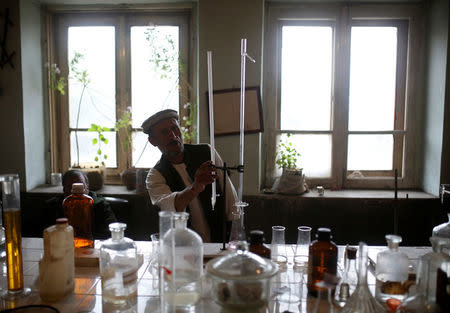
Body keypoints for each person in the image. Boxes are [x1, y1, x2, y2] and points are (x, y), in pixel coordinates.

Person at [143, 109, 238, 243]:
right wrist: (196, 187)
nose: (172, 135)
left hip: (220, 241)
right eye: (164, 132)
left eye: (175, 129)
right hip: (184, 247)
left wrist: (236, 232)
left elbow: (229, 194)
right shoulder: (155, 176)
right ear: (153, 141)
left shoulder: (207, 152)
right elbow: (169, 208)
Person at [45, 170, 117, 239]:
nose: (76, 192)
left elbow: (111, 231)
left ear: (87, 187)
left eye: (80, 185)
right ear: (64, 190)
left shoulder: (100, 205)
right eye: (70, 187)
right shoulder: (54, 205)